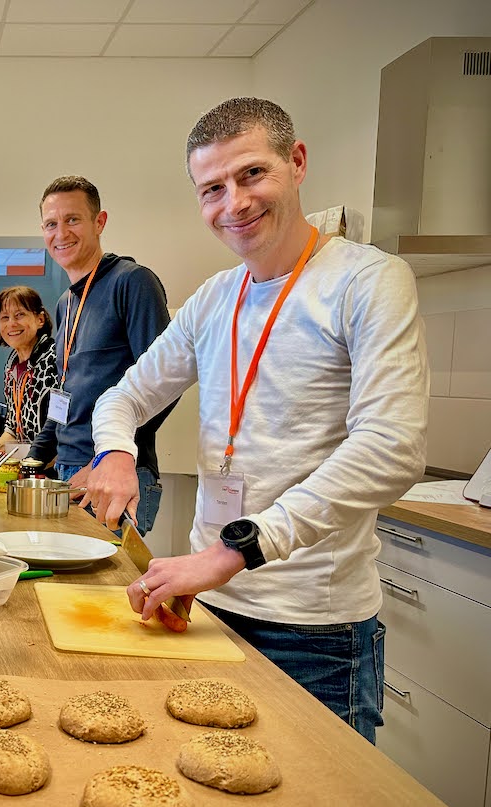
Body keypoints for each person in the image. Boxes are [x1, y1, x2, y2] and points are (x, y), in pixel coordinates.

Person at [85, 97, 428, 743]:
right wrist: (115, 453)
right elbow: (123, 398)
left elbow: (392, 448)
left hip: (313, 631)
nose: (233, 203)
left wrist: (232, 550)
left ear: (296, 162)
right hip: (209, 608)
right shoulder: (215, 298)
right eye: (211, 189)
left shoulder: (367, 282)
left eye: (251, 175)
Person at [27, 175, 174, 535]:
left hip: (115, 475)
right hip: (70, 471)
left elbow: (163, 387)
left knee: (105, 590)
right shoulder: (65, 303)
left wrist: (106, 458)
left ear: (99, 222)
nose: (61, 233)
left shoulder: (132, 282)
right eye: (51, 224)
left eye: (72, 219)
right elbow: (64, 395)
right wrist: (31, 459)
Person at [0, 285, 57, 446]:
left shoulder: (56, 360)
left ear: (40, 319)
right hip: (28, 461)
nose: (12, 324)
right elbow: (12, 429)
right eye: (5, 317)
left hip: (56, 463)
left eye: (20, 315)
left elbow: (61, 430)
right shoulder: (11, 366)